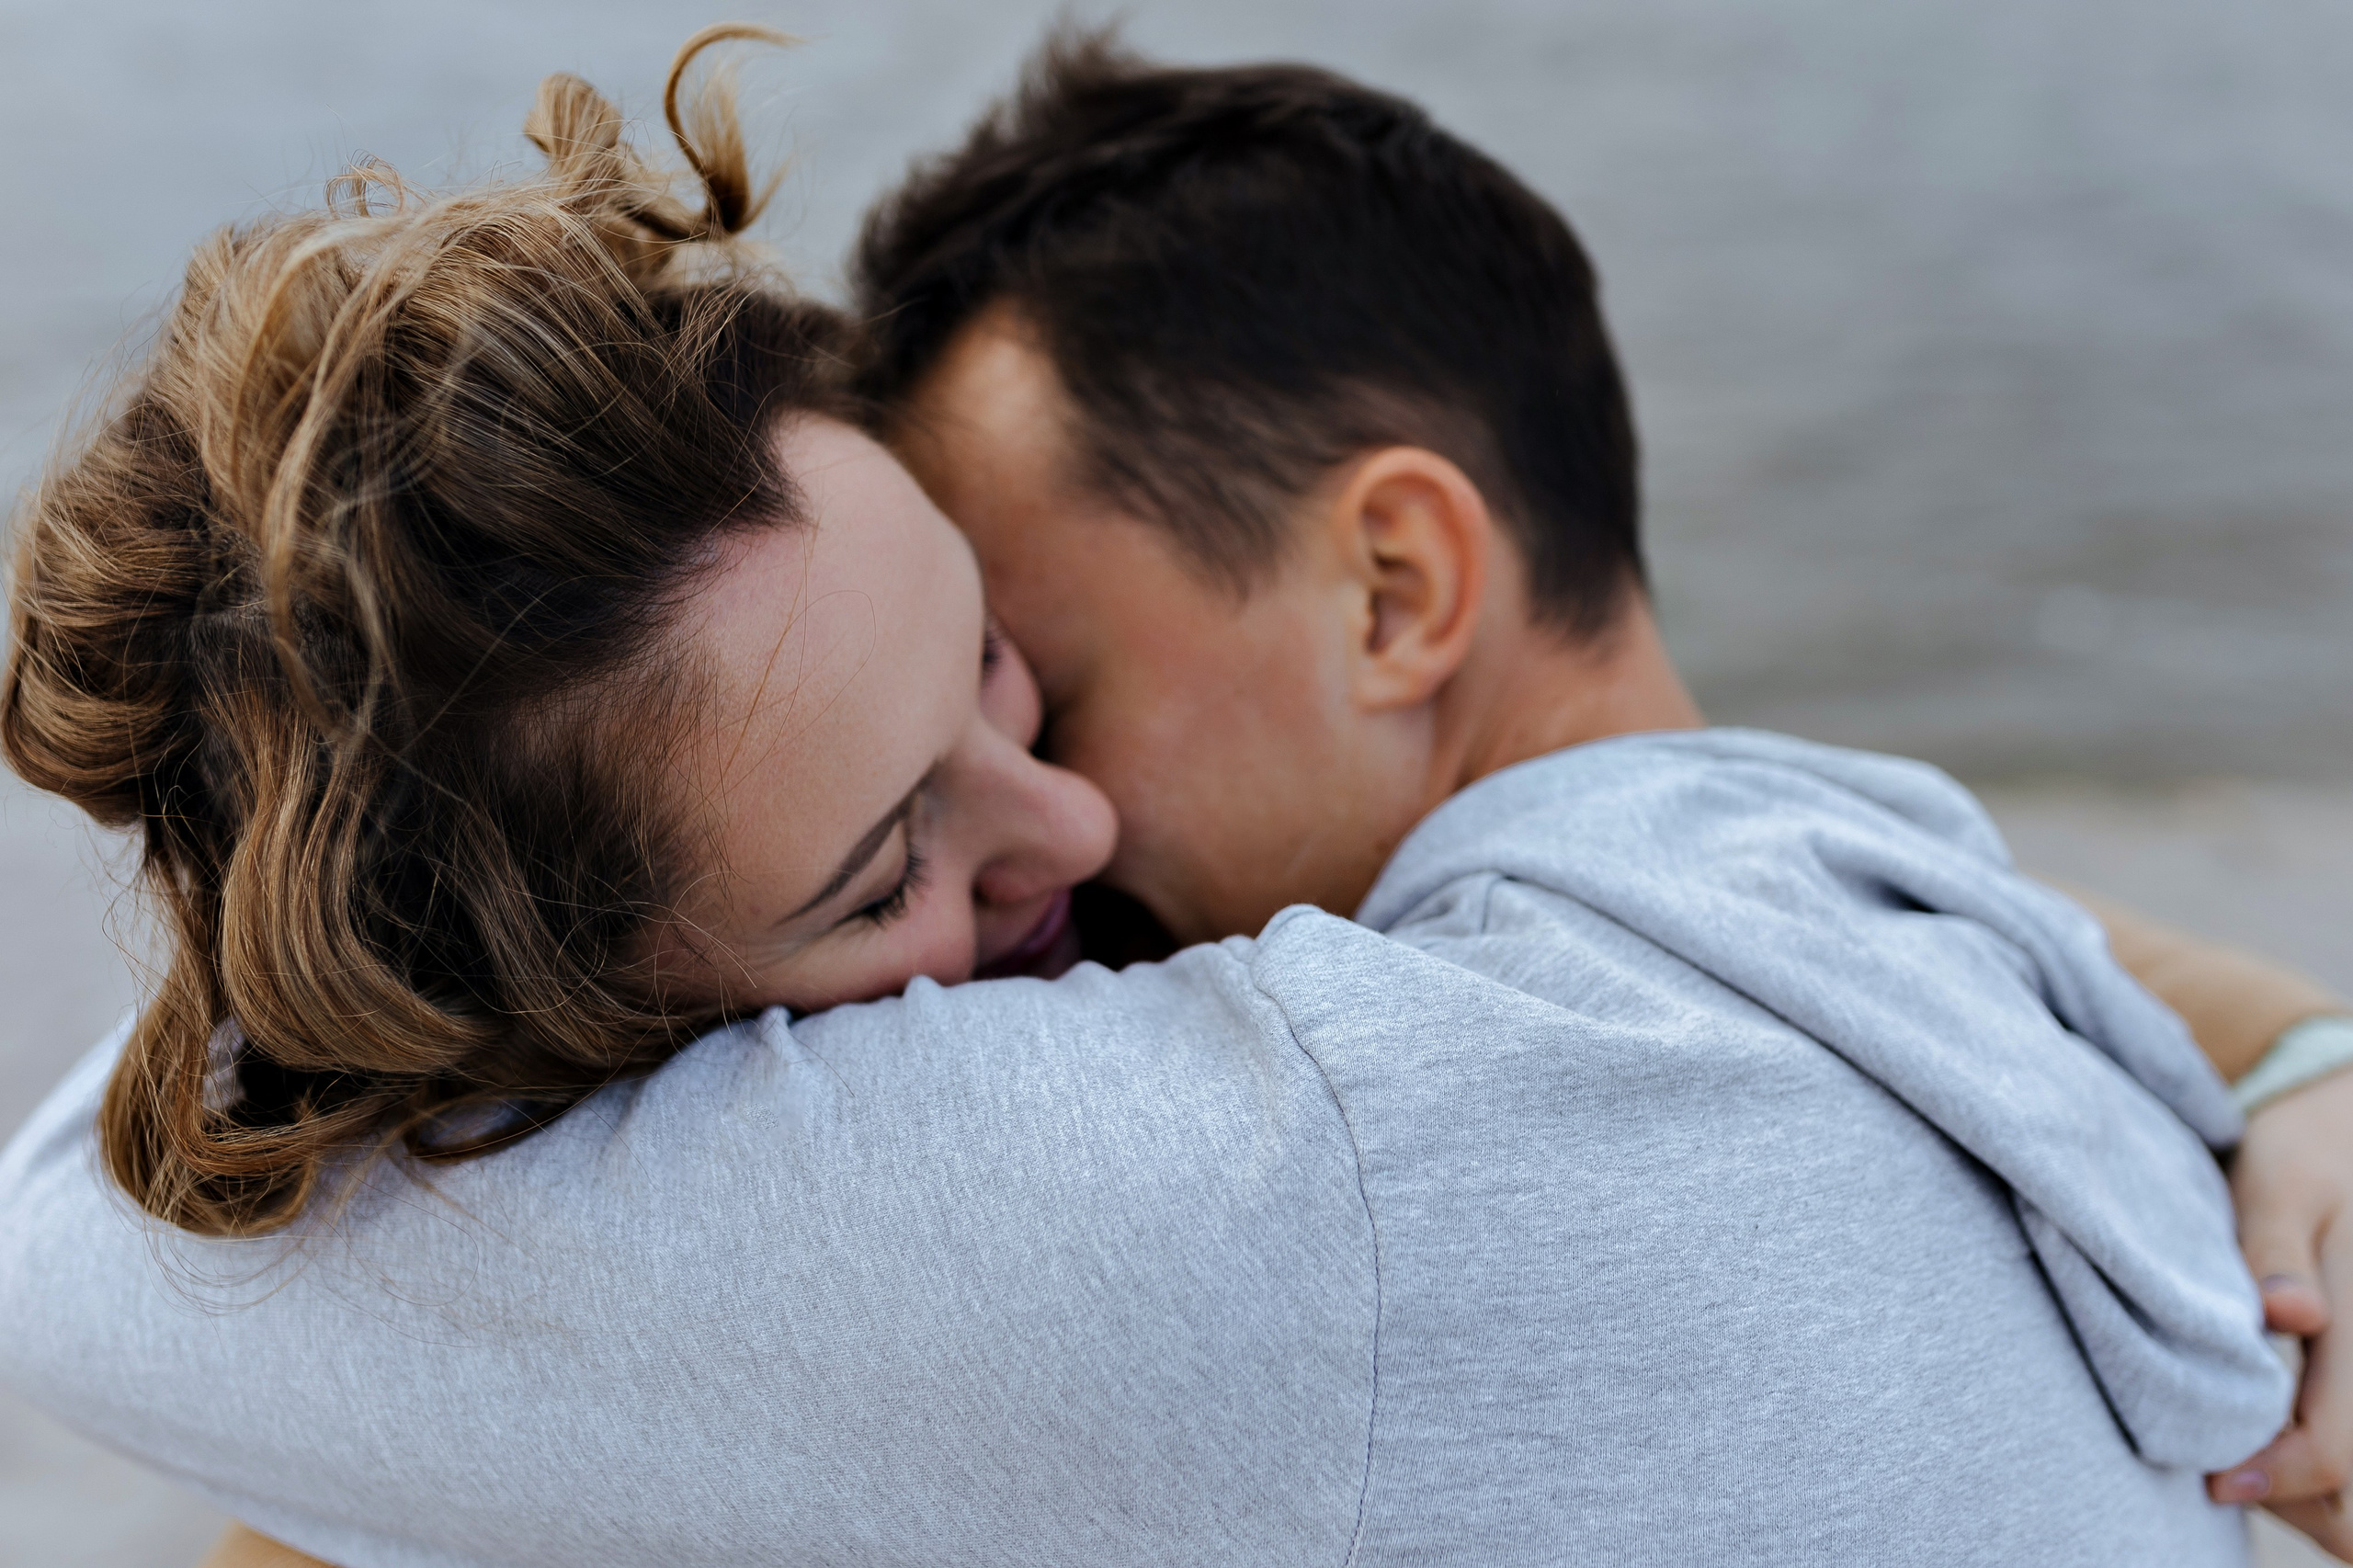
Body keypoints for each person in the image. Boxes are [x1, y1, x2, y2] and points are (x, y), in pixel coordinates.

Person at [0, 29, 2340, 1568]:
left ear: (1399, 575)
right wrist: (2285, 1036)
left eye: (1026, 660)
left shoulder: (1300, 1187)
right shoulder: (1856, 900)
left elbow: (81, 1245)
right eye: (878, 854)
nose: (1067, 832)